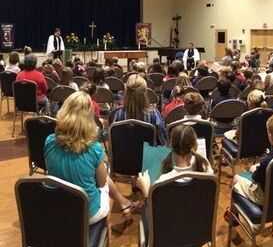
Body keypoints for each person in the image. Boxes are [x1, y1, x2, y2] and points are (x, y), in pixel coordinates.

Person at [44, 92, 138, 225]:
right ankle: (123, 202)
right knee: (104, 173)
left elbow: (51, 170)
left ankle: (123, 202)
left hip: (58, 208)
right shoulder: (94, 148)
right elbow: (101, 184)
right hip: (88, 214)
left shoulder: (49, 141)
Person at [226, 112, 273, 221]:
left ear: (270, 136)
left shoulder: (267, 162)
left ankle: (233, 216)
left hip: (268, 198)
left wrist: (254, 168)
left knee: (236, 179)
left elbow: (256, 179)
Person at [137, 124, 213, 198]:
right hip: (199, 210)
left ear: (170, 145)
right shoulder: (205, 166)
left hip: (171, 210)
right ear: (195, 145)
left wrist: (146, 191)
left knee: (144, 207)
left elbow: (155, 209)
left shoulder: (162, 182)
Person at [113, 74, 166, 145]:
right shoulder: (155, 114)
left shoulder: (118, 115)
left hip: (125, 155)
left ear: (126, 93)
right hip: (148, 155)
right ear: (145, 93)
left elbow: (116, 139)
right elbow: (161, 140)